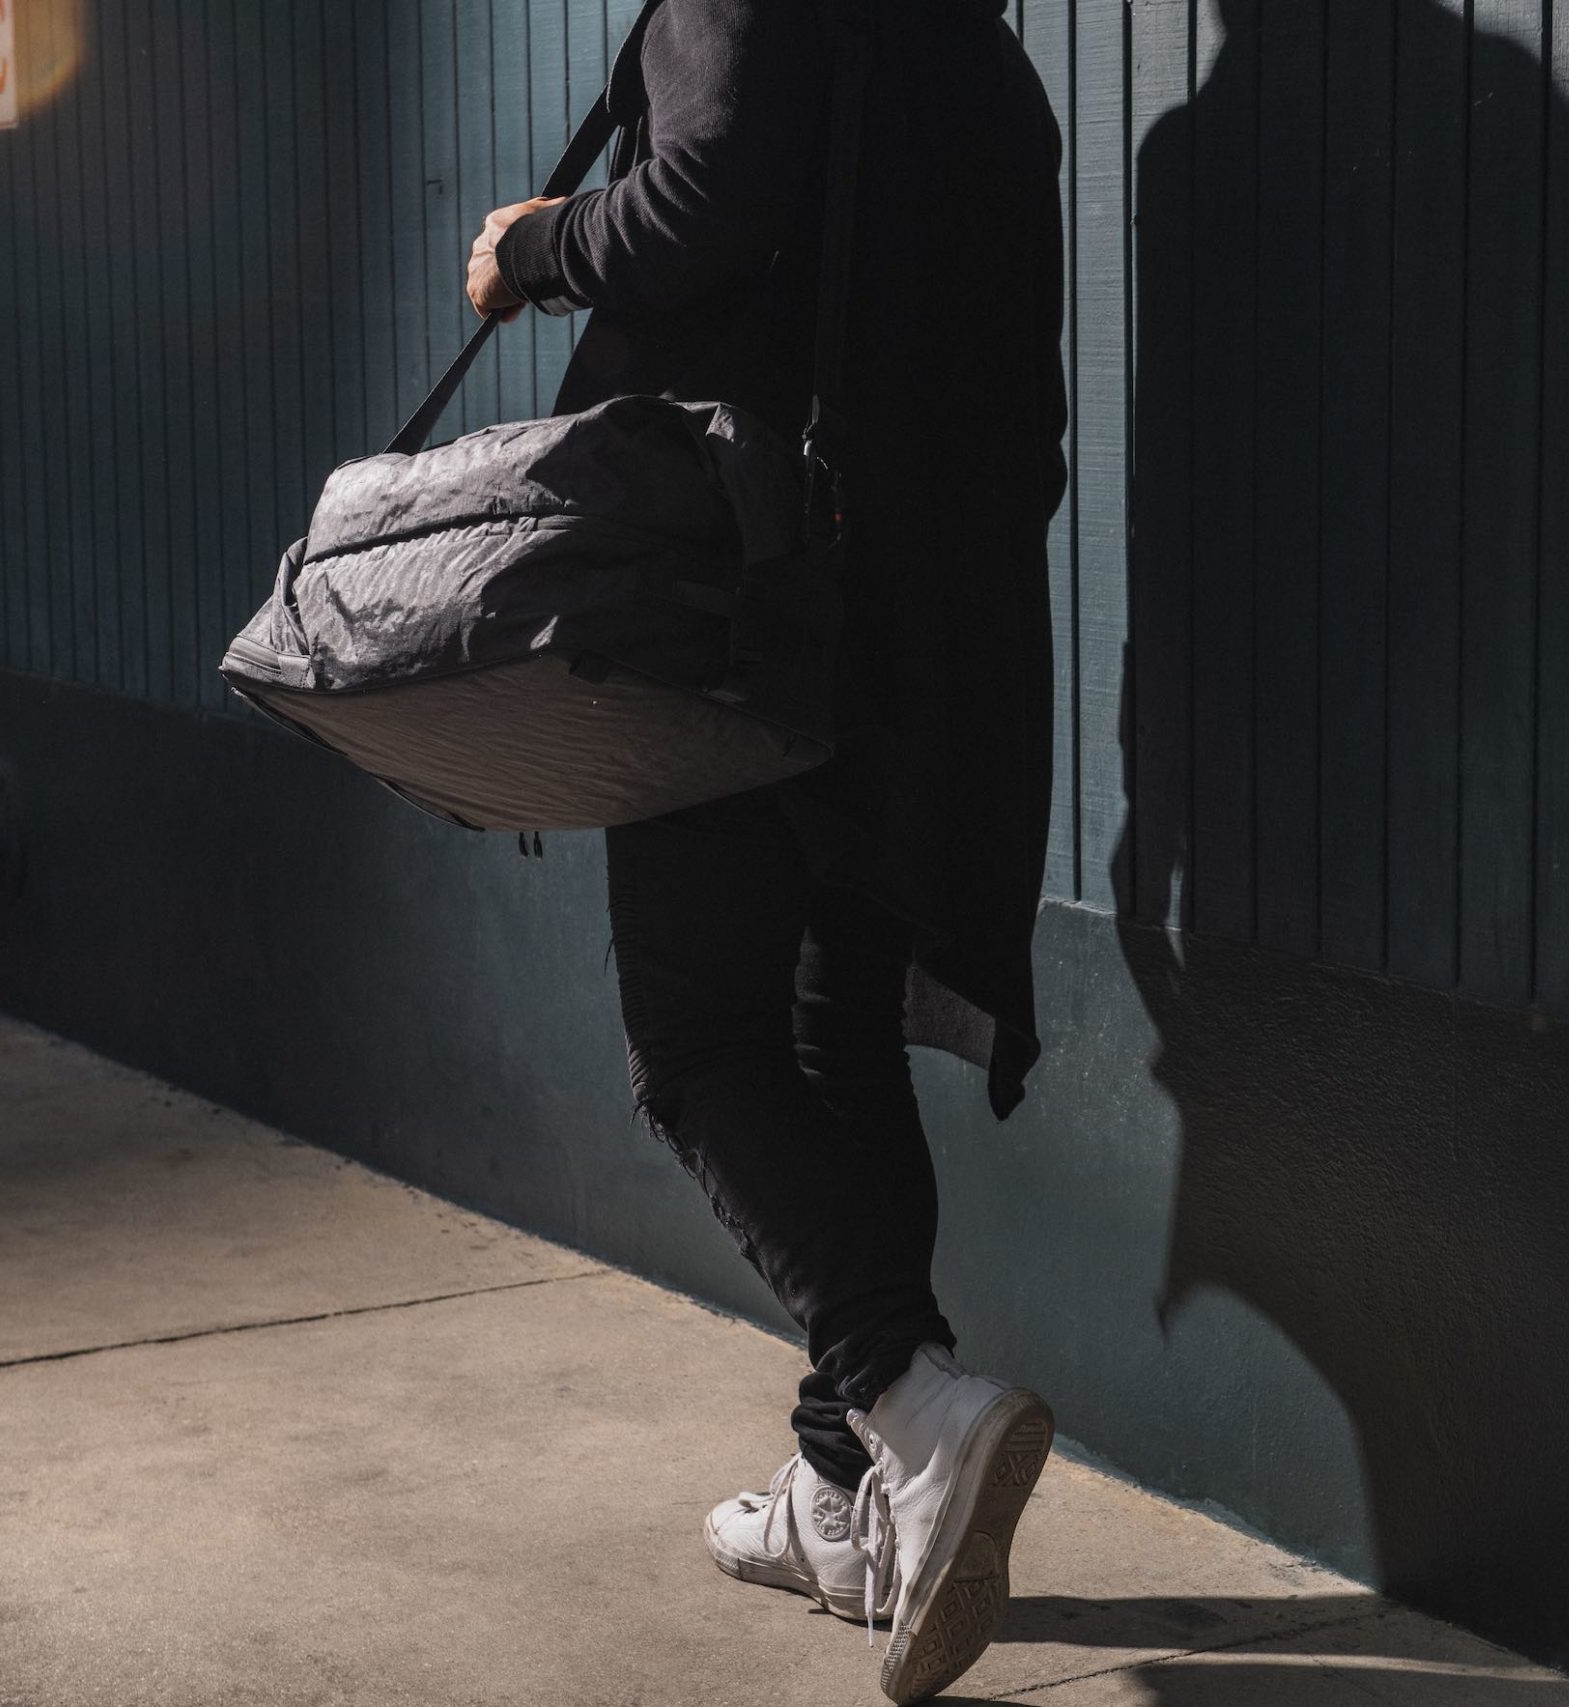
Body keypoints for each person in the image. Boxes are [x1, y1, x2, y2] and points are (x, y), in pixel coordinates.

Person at [463, 0, 1067, 1699]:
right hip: (931, 615)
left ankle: (913, 1405)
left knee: (695, 1038)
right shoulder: (973, 43)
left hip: (758, 586)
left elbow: (713, 187)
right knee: (831, 1017)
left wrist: (543, 243)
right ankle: (841, 1487)